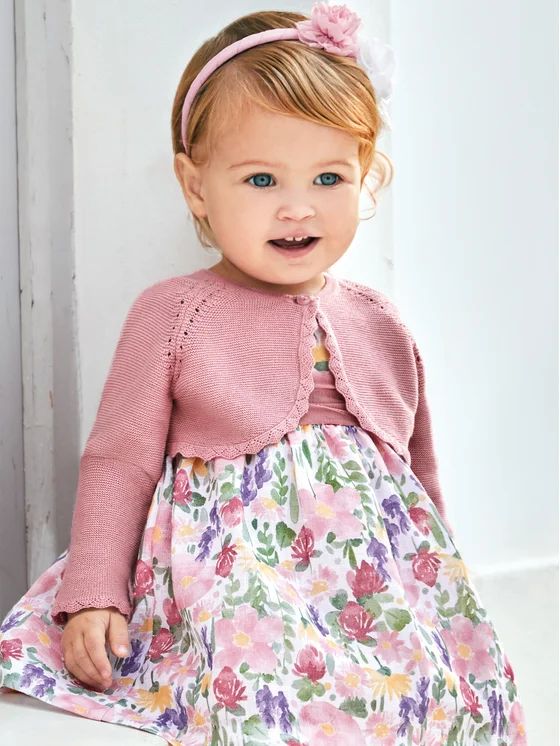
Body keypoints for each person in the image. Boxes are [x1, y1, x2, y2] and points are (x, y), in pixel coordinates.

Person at [0, 3, 528, 745]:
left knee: (454, 694)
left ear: (366, 176)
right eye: (260, 179)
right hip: (237, 576)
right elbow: (119, 460)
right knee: (262, 676)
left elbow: (418, 478)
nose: (296, 208)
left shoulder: (380, 321)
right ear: (195, 186)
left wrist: (445, 593)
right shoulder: (174, 313)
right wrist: (93, 592)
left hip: (371, 593)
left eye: (328, 176)